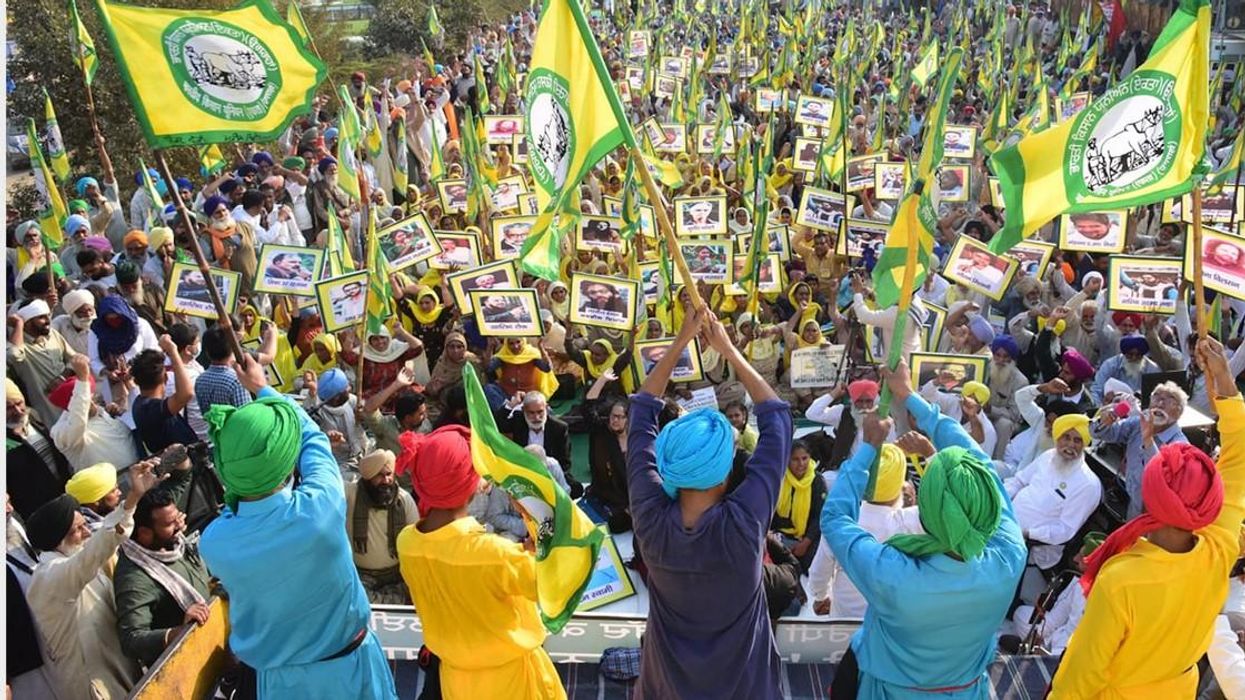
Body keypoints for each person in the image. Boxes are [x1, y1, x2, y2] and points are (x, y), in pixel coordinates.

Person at [1051, 337, 1245, 698]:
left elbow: (1078, 679)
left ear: (1151, 495)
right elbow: (1240, 454)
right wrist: (1224, 380)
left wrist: (1223, 379)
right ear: (1209, 501)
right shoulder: (1220, 549)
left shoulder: (1121, 581)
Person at [821, 359, 1026, 697]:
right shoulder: (1009, 555)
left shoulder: (892, 572)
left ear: (927, 511)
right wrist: (911, 397)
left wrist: (868, 450)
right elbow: (983, 468)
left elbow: (836, 520)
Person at [199, 355, 397, 699]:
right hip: (353, 672)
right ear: (286, 460)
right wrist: (262, 388)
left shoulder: (215, 541)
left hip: (278, 686)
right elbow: (314, 440)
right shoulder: (320, 507)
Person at [627, 309, 793, 698]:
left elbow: (641, 414)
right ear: (724, 472)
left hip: (667, 683)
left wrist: (680, 342)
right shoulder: (744, 522)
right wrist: (729, 351)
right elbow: (780, 421)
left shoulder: (650, 516)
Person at [395, 425, 564, 699]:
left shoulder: (407, 544)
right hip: (514, 684)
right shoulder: (496, 554)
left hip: (455, 682)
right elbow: (555, 588)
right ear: (470, 483)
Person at [26, 459, 160, 699]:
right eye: (78, 529)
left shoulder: (75, 557)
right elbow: (97, 549)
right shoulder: (49, 577)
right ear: (57, 538)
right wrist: (132, 499)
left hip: (118, 663)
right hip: (93, 683)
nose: (87, 532)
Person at [114, 449, 213, 668]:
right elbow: (131, 640)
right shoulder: (135, 577)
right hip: (192, 663)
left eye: (177, 516)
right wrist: (177, 632)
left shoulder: (167, 529)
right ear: (144, 533)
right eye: (170, 524)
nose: (180, 525)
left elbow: (183, 472)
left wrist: (168, 459)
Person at [808, 443, 921, 619]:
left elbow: (819, 574)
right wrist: (928, 452)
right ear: (899, 485)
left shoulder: (840, 522)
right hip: (895, 624)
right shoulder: (911, 522)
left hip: (845, 622)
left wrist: (820, 597)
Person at [1005, 414, 1102, 570]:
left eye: (1077, 441)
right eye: (1066, 437)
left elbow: (1065, 530)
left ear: (1084, 444)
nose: (1070, 445)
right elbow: (1019, 481)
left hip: (1031, 545)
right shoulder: (1049, 456)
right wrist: (999, 500)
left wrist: (1027, 533)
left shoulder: (1088, 485)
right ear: (1057, 438)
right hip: (1007, 522)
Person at [1091, 381, 1190, 519]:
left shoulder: (1180, 445)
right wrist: (1104, 421)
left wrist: (1148, 439)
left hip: (1157, 513)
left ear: (1179, 412)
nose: (1160, 404)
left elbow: (1161, 475)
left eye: (1169, 400)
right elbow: (1099, 433)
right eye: (1157, 397)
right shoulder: (1138, 423)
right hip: (1135, 502)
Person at [345, 450, 418, 604]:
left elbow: (416, 542)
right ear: (367, 477)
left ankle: (385, 600)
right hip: (362, 576)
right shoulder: (351, 495)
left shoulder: (403, 500)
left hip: (397, 574)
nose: (386, 480)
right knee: (352, 594)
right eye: (379, 475)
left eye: (389, 474)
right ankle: (391, 600)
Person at [48, 355, 139, 472]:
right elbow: (78, 419)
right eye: (85, 395)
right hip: (113, 487)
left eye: (90, 394)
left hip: (140, 473)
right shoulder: (60, 432)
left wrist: (120, 415)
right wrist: (82, 380)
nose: (90, 400)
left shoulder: (104, 413)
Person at [6, 378, 73, 521]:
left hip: (65, 495)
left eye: (19, 403)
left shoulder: (33, 417)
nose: (17, 411)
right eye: (8, 408)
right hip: (39, 512)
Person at [8, 299, 75, 425]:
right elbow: (14, 355)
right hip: (51, 412)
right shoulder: (17, 346)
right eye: (41, 317)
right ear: (26, 323)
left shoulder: (53, 335)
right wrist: (18, 324)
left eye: (48, 316)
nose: (48, 321)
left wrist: (63, 376)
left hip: (73, 402)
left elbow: (76, 359)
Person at [130, 336, 198, 455]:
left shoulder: (139, 403)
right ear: (166, 377)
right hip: (179, 468)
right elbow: (186, 393)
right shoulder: (151, 408)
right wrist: (173, 351)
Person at [771, 440, 827, 572]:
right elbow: (771, 512)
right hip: (780, 535)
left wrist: (805, 543)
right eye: (795, 459)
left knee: (809, 568)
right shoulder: (779, 478)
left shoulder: (817, 481)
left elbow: (819, 516)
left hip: (807, 537)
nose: (801, 464)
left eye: (804, 458)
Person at [494, 391, 572, 476]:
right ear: (523, 410)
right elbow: (496, 424)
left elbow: (565, 463)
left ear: (546, 408)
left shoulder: (559, 428)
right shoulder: (518, 421)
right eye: (531, 413)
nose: (536, 417)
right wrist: (511, 405)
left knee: (576, 487)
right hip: (523, 473)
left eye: (540, 412)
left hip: (550, 474)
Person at [194, 326, 252, 416]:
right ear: (232, 349)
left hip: (213, 429)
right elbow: (247, 415)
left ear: (207, 352)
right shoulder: (237, 381)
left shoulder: (200, 380)